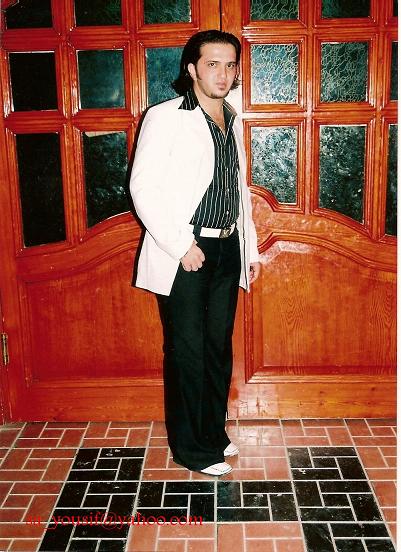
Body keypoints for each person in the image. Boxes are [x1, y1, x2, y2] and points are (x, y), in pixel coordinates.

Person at [130, 30, 260, 476]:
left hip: (227, 246)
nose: (224, 74)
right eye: (213, 64)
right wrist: (180, 244)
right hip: (185, 249)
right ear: (192, 69)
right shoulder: (165, 116)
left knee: (217, 348)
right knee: (187, 350)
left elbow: (238, 189)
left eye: (231, 65)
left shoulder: (231, 117)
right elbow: (143, 188)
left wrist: (250, 247)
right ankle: (192, 450)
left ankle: (213, 434)